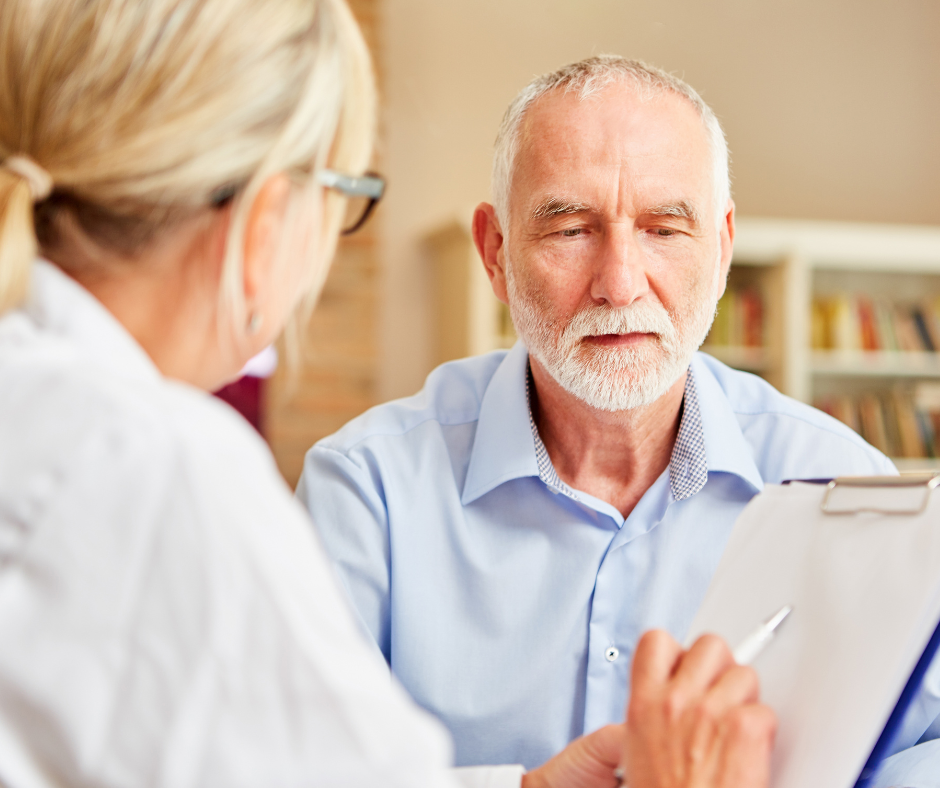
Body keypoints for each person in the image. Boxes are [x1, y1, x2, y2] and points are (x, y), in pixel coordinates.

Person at [0, 3, 778, 787]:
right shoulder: (166, 468)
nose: (618, 283)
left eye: (664, 229)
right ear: (271, 216)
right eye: (343, 193)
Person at [298, 55, 940, 782]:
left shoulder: (845, 487)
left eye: (665, 229)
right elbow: (282, 767)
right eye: (571, 230)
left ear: (723, 248)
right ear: (495, 253)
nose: (621, 283)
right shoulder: (368, 489)